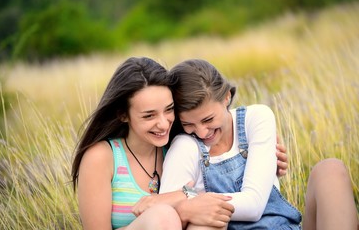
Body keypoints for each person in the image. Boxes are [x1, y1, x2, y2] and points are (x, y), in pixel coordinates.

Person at [71, 56, 289, 230]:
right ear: (123, 115)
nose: (163, 124)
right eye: (149, 116)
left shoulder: (181, 144)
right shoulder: (101, 157)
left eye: (169, 110)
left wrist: (265, 158)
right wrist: (184, 207)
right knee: (164, 217)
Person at [159, 59, 358, 230]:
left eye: (208, 119)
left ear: (227, 97)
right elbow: (168, 212)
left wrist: (193, 200)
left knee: (330, 169)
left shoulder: (255, 119)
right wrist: (187, 205)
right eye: (188, 124)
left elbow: (254, 205)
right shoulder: (185, 146)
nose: (202, 132)